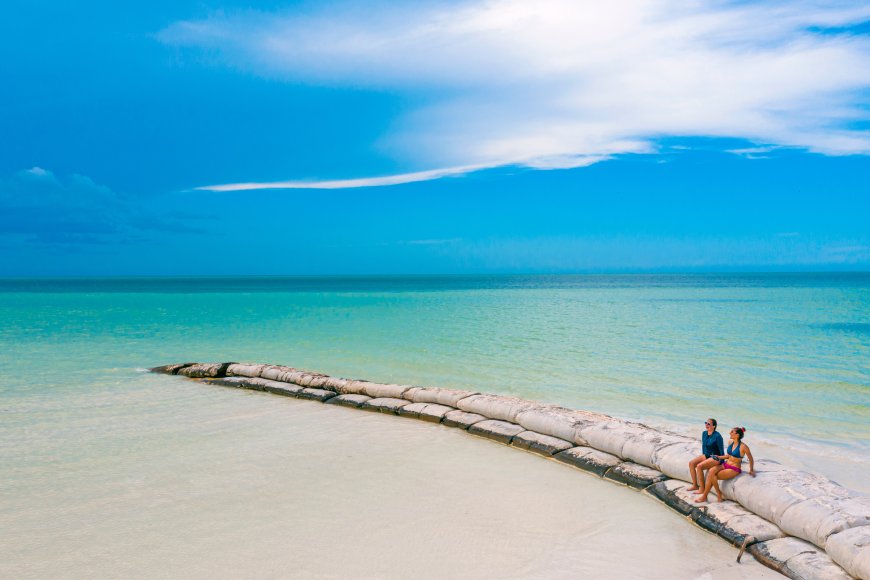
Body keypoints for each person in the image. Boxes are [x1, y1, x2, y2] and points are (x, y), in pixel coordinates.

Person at [695, 426, 756, 503]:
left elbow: (751, 458)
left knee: (713, 476)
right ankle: (718, 493)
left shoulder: (744, 447)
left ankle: (706, 496)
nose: (729, 433)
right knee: (711, 471)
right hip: (726, 464)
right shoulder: (730, 442)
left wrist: (751, 470)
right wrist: (718, 457)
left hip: (734, 468)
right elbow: (728, 456)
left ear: (737, 435)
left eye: (732, 432)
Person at [688, 418, 724, 492]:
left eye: (709, 424)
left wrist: (721, 463)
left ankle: (702, 488)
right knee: (691, 463)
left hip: (715, 457)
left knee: (699, 466)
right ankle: (695, 485)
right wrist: (703, 457)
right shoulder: (704, 433)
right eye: (706, 423)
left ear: (714, 426)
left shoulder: (718, 436)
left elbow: (721, 450)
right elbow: (704, 446)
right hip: (706, 455)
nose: (706, 425)